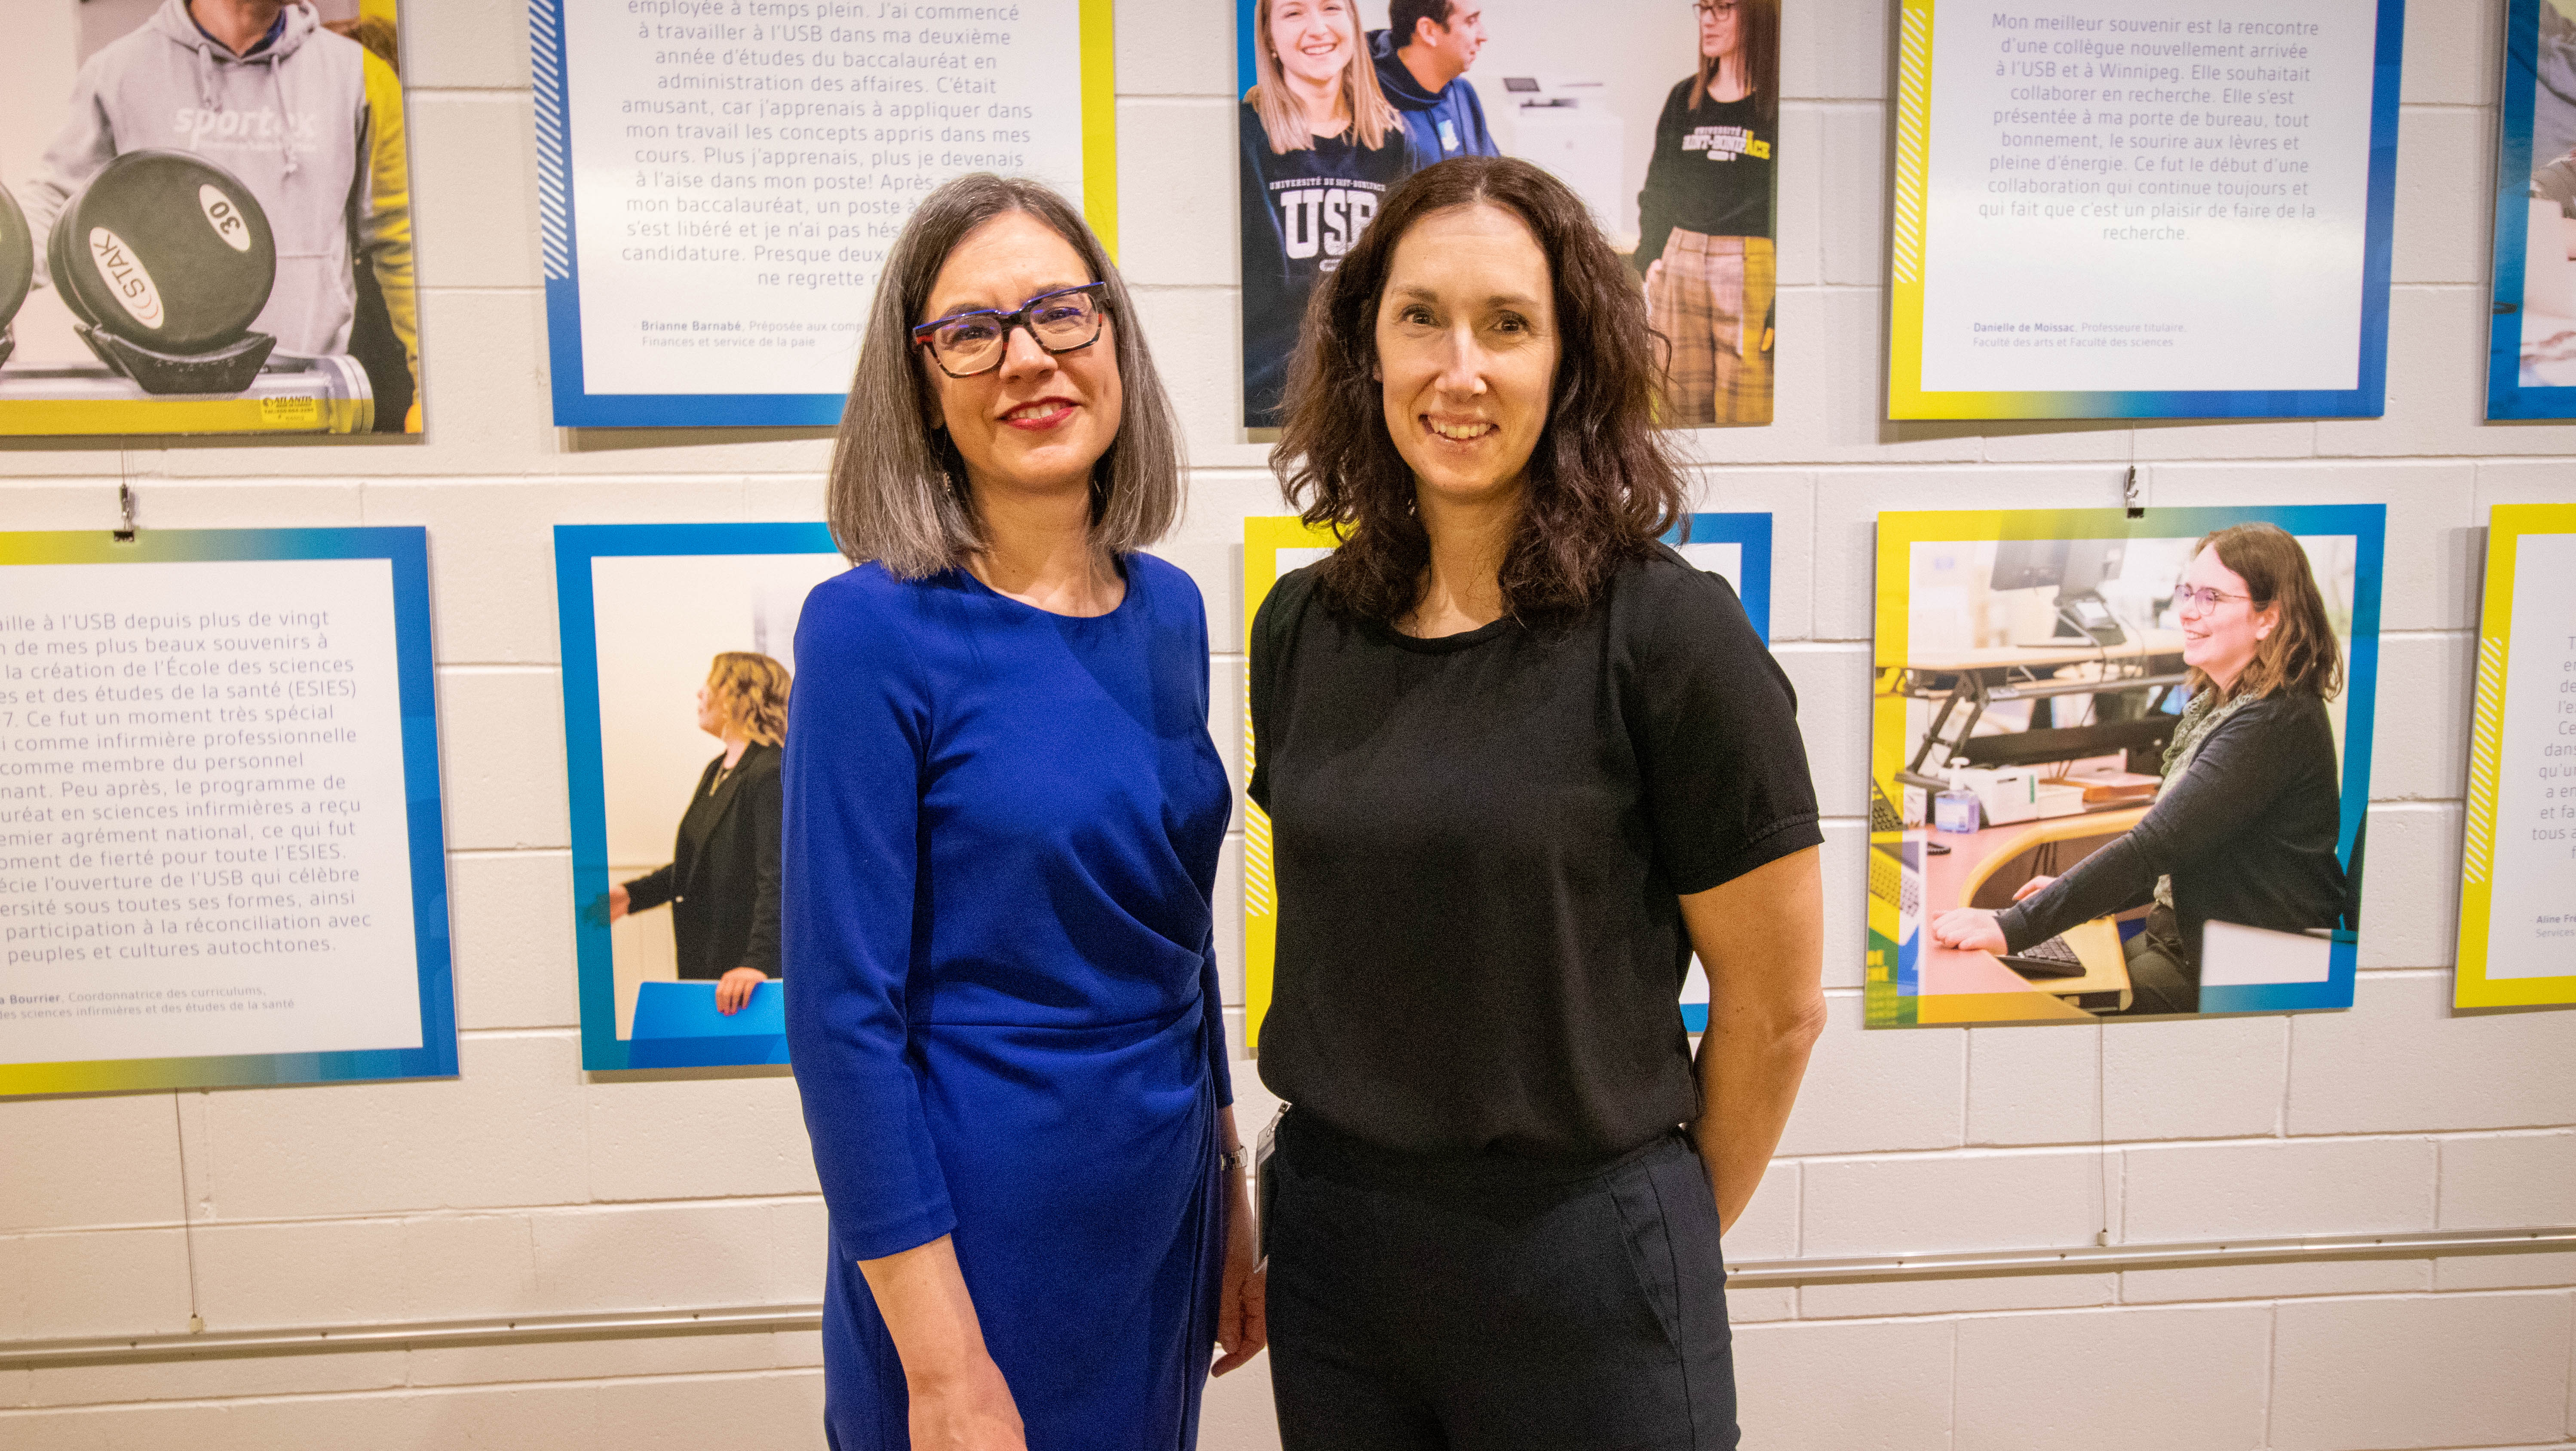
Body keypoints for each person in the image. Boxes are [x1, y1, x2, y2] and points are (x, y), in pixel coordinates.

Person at [1251, 155, 1826, 1449]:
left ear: (1571, 362)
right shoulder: (1303, 627)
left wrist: (1648, 1238)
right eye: (1420, 319)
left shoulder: (1669, 636)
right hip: (1337, 1251)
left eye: (1506, 325)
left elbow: (1777, 1013)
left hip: (1581, 1257)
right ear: (1365, 352)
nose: (1460, 371)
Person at [783, 173, 1260, 1450]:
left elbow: (1178, 933)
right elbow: (839, 1018)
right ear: (921, 380)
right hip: (974, 1233)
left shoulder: (1168, 610)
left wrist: (1228, 1184)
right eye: (971, 332)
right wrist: (939, 1365)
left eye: (1060, 313)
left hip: (1158, 1204)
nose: (1027, 359)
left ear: (1112, 336)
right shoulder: (869, 631)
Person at [1929, 523, 2350, 1016]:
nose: (2188, 611)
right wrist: (2065, 897)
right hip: (2199, 939)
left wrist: (2015, 926)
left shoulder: (2274, 721)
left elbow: (2158, 845)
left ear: (2267, 618)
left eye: (2211, 596)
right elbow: (2180, 842)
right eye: (2187, 592)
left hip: (2248, 965)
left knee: (2052, 1011)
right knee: (2075, 980)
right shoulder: (2227, 704)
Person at [24, 0, 418, 429]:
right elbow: (54, 205)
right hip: (162, 398)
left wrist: (432, 388)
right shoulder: (119, 70)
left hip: (307, 395)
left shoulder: (360, 74)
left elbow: (403, 241)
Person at [1240, 0, 1410, 427]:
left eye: (1332, 8)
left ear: (1353, 24)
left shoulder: (1394, 141)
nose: (1317, 27)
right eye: (1294, 13)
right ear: (1270, 39)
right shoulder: (1246, 138)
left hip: (1372, 398)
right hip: (1274, 399)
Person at [606, 652, 788, 1018]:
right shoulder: (717, 771)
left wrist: (757, 963)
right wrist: (629, 896)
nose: (700, 694)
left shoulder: (769, 771)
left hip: (745, 982)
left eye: (712, 682)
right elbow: (704, 862)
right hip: (711, 966)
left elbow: (779, 877)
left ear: (740, 694)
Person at [1635, 0, 1780, 426]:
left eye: (1723, 9)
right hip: (1681, 258)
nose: (1708, 21)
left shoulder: (1776, 105)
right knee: (1677, 413)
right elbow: (1659, 185)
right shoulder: (1686, 98)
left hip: (1750, 263)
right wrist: (1651, 258)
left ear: (1756, 15)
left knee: (1746, 412)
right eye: (1703, 9)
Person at [1369, 0, 1497, 172]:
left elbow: (1493, 183)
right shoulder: (1366, 100)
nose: (1483, 36)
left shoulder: (1463, 93)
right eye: (1471, 21)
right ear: (1428, 31)